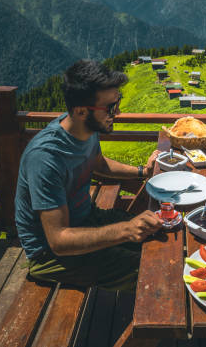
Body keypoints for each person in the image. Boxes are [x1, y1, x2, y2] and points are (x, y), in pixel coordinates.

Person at [14, 59, 163, 290]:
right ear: (81, 111)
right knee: (151, 271)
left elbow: (100, 165)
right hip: (49, 255)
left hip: (85, 218)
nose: (119, 112)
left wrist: (143, 171)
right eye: (111, 108)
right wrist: (126, 230)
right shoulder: (45, 158)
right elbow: (58, 241)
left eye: (118, 102)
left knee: (158, 237)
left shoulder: (85, 130)